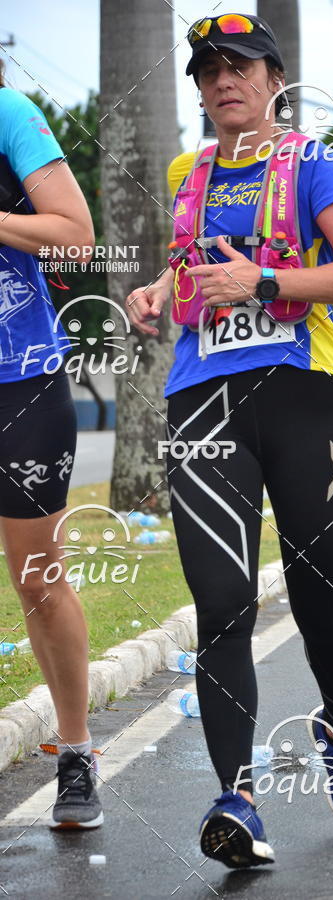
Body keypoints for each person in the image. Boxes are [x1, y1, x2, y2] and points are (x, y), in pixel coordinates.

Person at [126, 13, 333, 869]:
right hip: (204, 399)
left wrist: (266, 278)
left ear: (275, 77)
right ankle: (237, 801)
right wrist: (158, 291)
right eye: (206, 71)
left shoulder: (315, 162)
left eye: (239, 65)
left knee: (318, 595)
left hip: (306, 395)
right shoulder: (187, 169)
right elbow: (197, 256)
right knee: (222, 603)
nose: (220, 81)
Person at [0, 64, 100, 826]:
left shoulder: (8, 111)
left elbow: (74, 236)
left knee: (36, 579)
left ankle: (74, 752)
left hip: (18, 379)